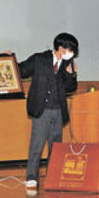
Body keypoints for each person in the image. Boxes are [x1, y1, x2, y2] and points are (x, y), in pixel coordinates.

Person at [19, 33, 79, 189]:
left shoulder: (68, 64)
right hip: (42, 109)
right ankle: (31, 177)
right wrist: (7, 59)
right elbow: (20, 70)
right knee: (37, 145)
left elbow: (70, 88)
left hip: (58, 110)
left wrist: (71, 74)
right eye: (70, 49)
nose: (71, 53)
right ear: (60, 47)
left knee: (56, 146)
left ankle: (53, 176)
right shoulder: (39, 59)